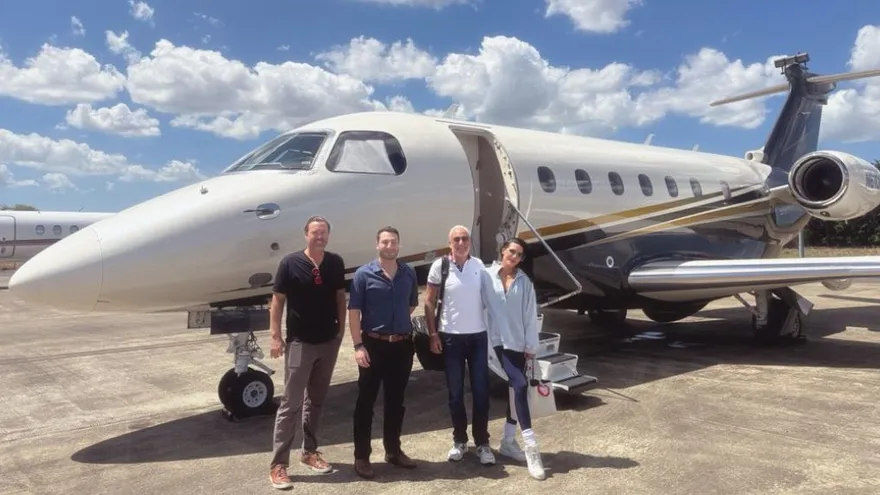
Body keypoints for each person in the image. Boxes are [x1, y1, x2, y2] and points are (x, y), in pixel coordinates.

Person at [268, 216, 347, 490]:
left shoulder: (335, 262)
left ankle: (310, 452)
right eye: (315, 233)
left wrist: (340, 332)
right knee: (291, 404)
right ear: (306, 235)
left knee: (316, 400)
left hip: (328, 342)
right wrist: (275, 336)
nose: (320, 237)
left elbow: (340, 297)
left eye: (324, 233)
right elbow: (277, 301)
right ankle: (279, 464)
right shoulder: (290, 263)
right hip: (300, 343)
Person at [423, 225, 509, 466]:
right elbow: (429, 302)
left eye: (464, 239)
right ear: (449, 243)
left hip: (478, 338)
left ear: (469, 242)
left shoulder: (479, 266)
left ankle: (482, 443)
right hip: (451, 338)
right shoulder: (440, 267)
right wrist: (433, 334)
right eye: (456, 239)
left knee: (482, 393)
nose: (461, 243)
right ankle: (459, 440)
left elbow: (492, 297)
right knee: (455, 394)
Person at [348, 226, 420, 479]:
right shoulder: (363, 275)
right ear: (377, 245)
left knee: (396, 402)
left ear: (399, 245)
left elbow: (411, 304)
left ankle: (393, 451)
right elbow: (354, 312)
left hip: (401, 345)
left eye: (394, 242)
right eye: (385, 242)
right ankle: (362, 456)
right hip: (372, 345)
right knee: (365, 402)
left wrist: (395, 324)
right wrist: (358, 345)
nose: (390, 246)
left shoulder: (407, 273)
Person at [486, 237, 546, 480]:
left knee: (516, 389)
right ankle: (532, 446)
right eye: (512, 251)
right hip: (495, 342)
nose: (514, 257)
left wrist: (531, 346)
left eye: (519, 254)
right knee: (520, 385)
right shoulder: (486, 276)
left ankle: (509, 442)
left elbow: (530, 316)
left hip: (518, 345)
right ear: (503, 251)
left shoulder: (525, 283)